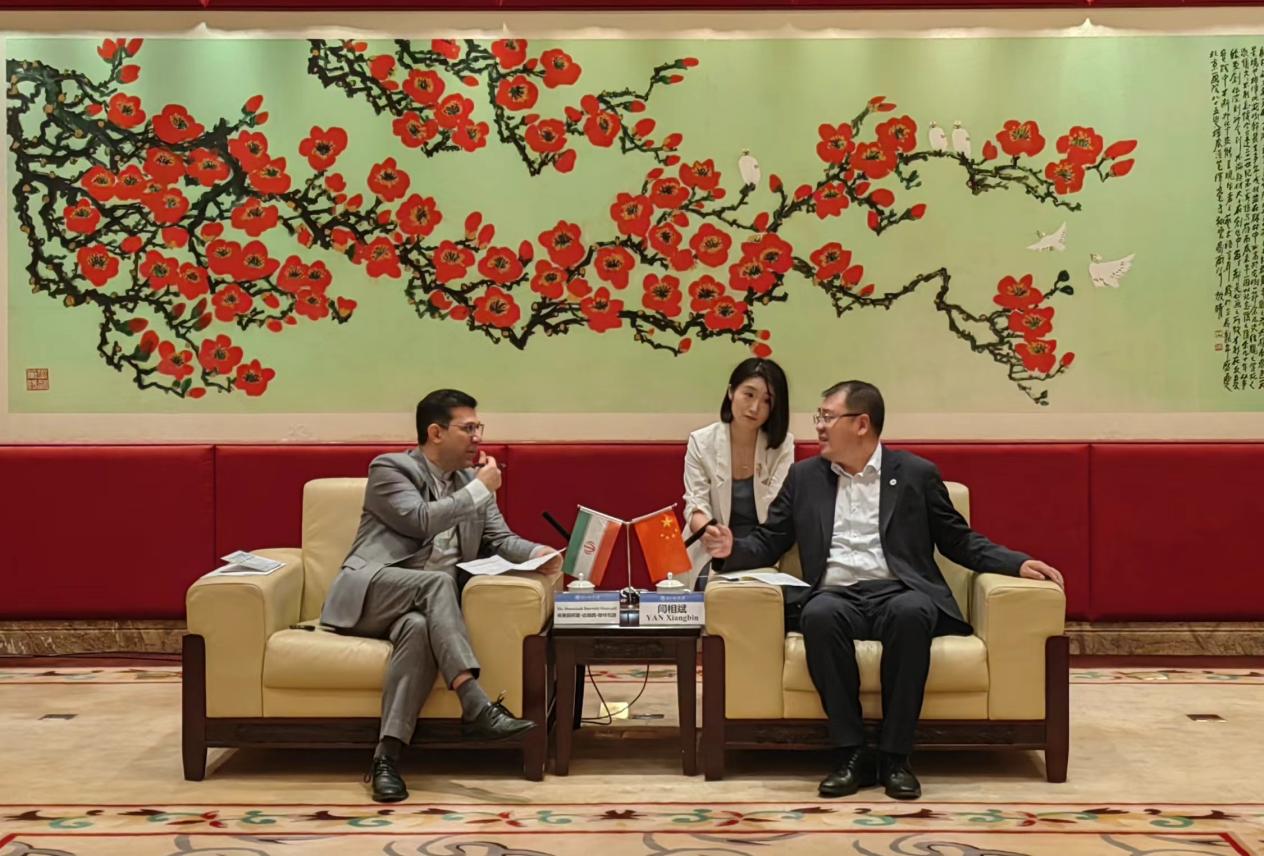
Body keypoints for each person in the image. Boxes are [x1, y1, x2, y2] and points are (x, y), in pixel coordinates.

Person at [702, 380, 1063, 801]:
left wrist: (1015, 563)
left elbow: (958, 540)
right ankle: (851, 754)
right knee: (818, 616)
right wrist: (731, 551)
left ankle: (895, 757)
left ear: (861, 424)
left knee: (912, 613)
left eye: (827, 417)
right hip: (835, 595)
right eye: (820, 417)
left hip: (898, 590)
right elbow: (770, 540)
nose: (819, 426)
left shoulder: (916, 474)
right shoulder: (804, 477)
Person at [320, 389, 562, 803]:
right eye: (468, 428)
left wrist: (538, 553)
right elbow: (419, 521)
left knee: (417, 629)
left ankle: (386, 759)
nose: (478, 437)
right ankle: (475, 703)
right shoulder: (390, 469)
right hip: (372, 591)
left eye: (479, 427)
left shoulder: (470, 483)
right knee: (436, 583)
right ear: (435, 433)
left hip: (423, 607)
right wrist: (480, 490)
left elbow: (500, 539)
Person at [682, 357, 794, 590]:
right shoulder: (701, 442)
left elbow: (779, 514)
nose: (754, 408)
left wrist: (740, 548)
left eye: (767, 400)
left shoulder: (782, 447)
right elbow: (696, 505)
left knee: (761, 592)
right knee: (708, 585)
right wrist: (711, 534)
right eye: (749, 394)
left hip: (762, 548)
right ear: (731, 392)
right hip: (711, 543)